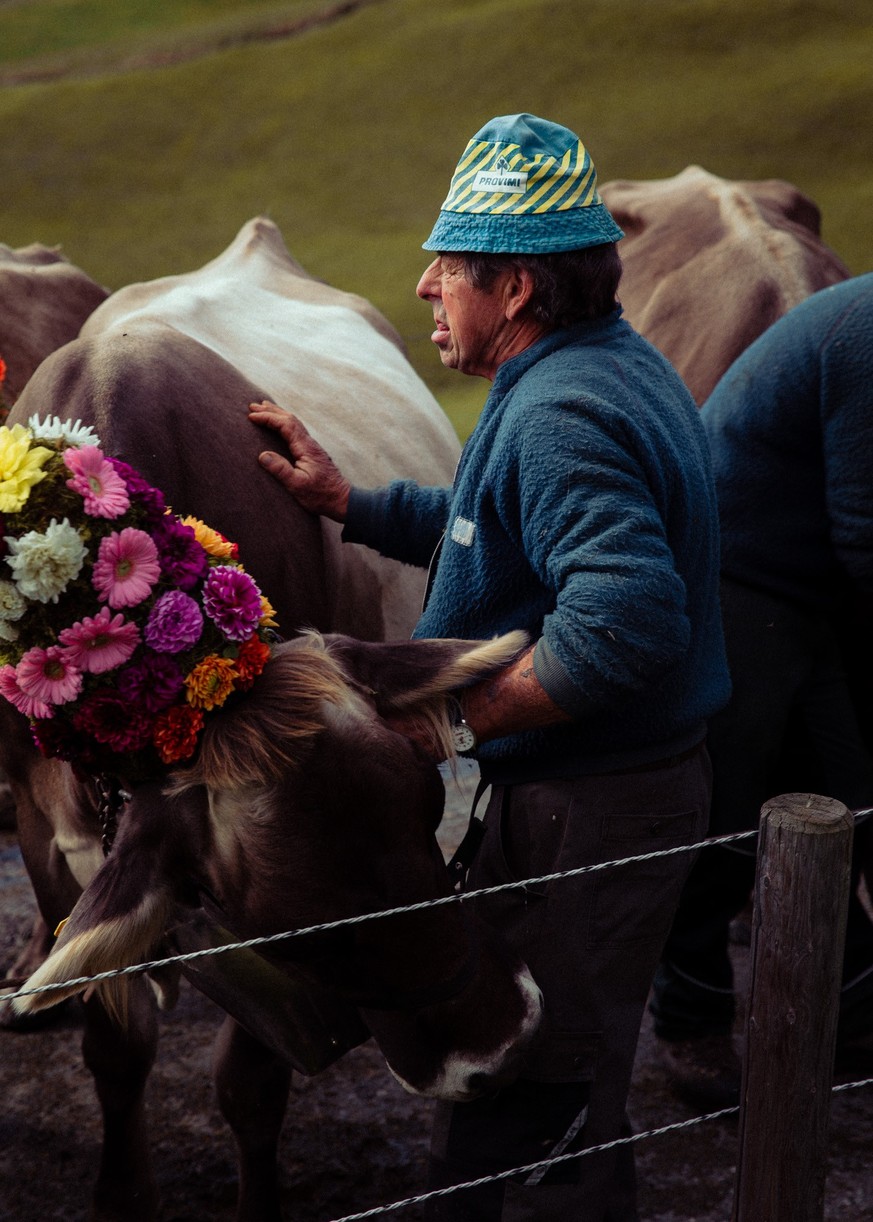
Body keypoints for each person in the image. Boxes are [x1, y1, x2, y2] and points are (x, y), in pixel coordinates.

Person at [249, 113, 730, 1221]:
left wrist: (458, 723)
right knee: (554, 1091)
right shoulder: (596, 364)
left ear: (513, 288)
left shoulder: (560, 412)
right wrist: (352, 504)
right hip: (608, 791)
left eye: (448, 268)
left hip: (590, 808)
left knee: (541, 1101)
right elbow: (496, 528)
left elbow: (623, 621)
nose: (423, 286)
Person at [650, 273, 873, 1108]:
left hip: (810, 590)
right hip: (738, 577)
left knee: (849, 793)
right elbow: (866, 533)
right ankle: (689, 1023)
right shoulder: (869, 333)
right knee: (729, 814)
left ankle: (849, 1001)